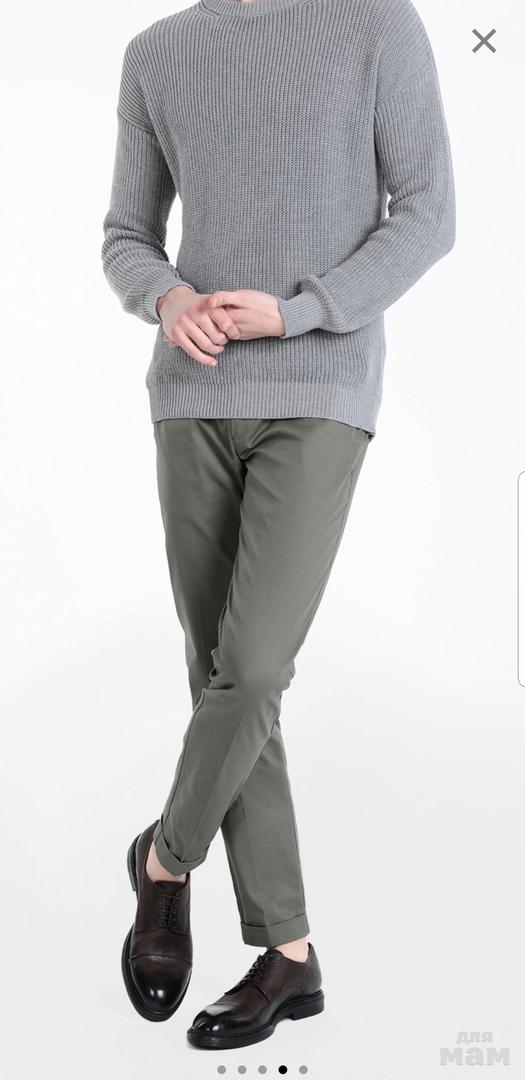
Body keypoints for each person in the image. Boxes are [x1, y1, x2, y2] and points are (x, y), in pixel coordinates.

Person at [101, 0, 455, 1051]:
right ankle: (289, 957)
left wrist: (301, 309)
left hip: (320, 388)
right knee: (223, 676)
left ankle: (163, 863)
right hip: (191, 398)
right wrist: (166, 299)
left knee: (251, 667)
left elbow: (428, 212)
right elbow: (126, 236)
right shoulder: (158, 52)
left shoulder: (376, 24)